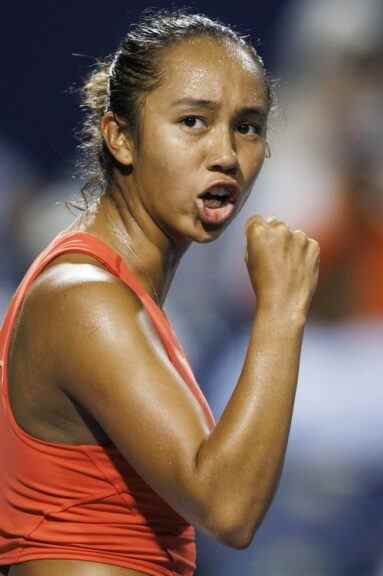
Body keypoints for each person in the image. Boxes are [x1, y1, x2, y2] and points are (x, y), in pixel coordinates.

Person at [0, 10, 319, 576]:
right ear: (120, 136)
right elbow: (228, 507)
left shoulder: (105, 289)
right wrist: (282, 309)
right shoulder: (85, 298)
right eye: (194, 121)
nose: (225, 153)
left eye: (247, 126)